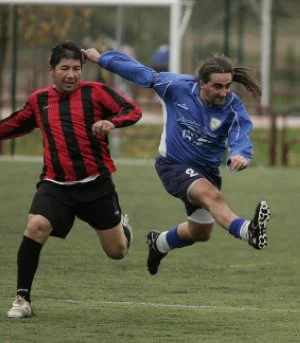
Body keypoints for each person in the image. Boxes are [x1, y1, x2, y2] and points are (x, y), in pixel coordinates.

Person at [81, 48, 271, 276]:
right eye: (217, 87)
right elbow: (140, 73)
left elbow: (240, 135)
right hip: (173, 165)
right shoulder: (176, 86)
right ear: (201, 83)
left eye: (228, 86)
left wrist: (241, 154)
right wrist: (103, 59)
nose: (224, 92)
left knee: (201, 232)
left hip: (207, 171)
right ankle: (248, 231)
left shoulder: (233, 106)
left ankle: (159, 243)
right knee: (213, 198)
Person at [1, 40, 142, 318]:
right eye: (64, 68)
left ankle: (123, 232)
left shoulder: (97, 92)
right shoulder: (40, 100)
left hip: (96, 184)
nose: (71, 75)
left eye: (77, 68)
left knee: (117, 252)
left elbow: (133, 111)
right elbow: (15, 124)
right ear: (51, 70)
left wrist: (112, 122)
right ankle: (22, 299)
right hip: (56, 185)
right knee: (36, 226)